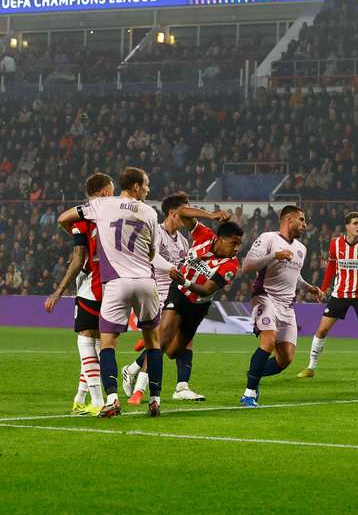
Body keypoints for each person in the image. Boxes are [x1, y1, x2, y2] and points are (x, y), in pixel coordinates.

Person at [57, 167, 169, 417]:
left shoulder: (103, 205)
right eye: (147, 184)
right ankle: (155, 400)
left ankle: (112, 398)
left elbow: (64, 217)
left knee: (107, 343)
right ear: (137, 187)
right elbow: (152, 253)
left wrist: (83, 238)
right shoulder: (150, 212)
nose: (149, 188)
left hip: (116, 283)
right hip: (145, 282)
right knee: (153, 342)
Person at [122, 194, 234, 404]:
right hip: (156, 291)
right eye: (185, 210)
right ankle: (144, 385)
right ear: (174, 213)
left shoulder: (183, 241)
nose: (187, 215)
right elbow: (151, 256)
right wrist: (173, 268)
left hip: (177, 290)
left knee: (177, 342)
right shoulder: (155, 230)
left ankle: (137, 369)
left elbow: (187, 264)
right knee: (162, 341)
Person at [239, 206, 325, 407]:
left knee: (286, 359)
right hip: (265, 298)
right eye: (301, 220)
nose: (305, 224)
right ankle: (249, 394)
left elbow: (295, 276)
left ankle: (254, 373)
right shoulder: (268, 238)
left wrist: (310, 288)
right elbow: (247, 266)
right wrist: (274, 256)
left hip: (287, 306)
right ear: (288, 219)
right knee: (268, 343)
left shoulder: (301, 249)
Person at [44, 172, 115, 415]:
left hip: (92, 286)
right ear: (105, 191)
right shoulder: (116, 216)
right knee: (96, 342)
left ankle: (96, 401)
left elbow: (77, 259)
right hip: (115, 284)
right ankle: (80, 398)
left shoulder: (83, 218)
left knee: (86, 340)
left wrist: (58, 291)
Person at [298, 211, 358, 380]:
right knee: (322, 329)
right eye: (355, 223)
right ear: (347, 226)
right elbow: (331, 268)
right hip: (340, 293)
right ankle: (311, 367)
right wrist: (322, 289)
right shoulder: (335, 244)